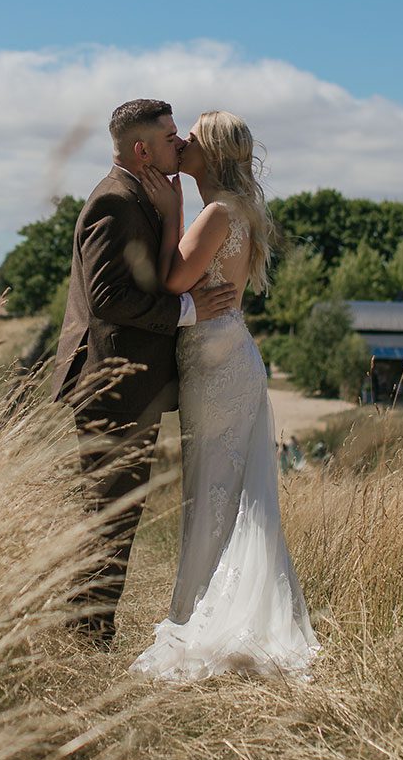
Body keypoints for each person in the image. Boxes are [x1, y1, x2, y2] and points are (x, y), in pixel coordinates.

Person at [127, 109, 320, 681]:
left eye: (192, 136)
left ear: (209, 153)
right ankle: (203, 608)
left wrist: (170, 209)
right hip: (225, 357)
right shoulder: (235, 210)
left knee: (214, 489)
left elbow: (172, 283)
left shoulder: (215, 212)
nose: (180, 142)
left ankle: (203, 617)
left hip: (217, 366)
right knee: (223, 492)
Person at [48, 99, 239, 649]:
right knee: (109, 514)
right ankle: (85, 640)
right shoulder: (115, 200)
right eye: (169, 136)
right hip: (112, 385)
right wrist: (189, 312)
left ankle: (89, 634)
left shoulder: (142, 197)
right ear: (142, 149)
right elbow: (109, 298)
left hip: (132, 386)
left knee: (117, 514)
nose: (177, 144)